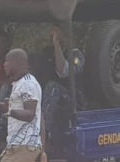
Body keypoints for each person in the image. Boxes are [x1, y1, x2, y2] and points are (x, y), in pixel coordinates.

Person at [31, 26, 86, 154]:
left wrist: (57, 45)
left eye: (57, 34)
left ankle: (45, 133)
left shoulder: (76, 55)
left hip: (72, 98)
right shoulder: (46, 53)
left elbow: (63, 71)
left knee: (52, 87)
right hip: (50, 98)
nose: (52, 36)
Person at [0, 48, 45, 162]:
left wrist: (9, 111)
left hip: (23, 148)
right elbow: (39, 117)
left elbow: (30, 114)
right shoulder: (19, 83)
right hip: (19, 146)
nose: (4, 65)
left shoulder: (27, 84)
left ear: (16, 63)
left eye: (7, 61)